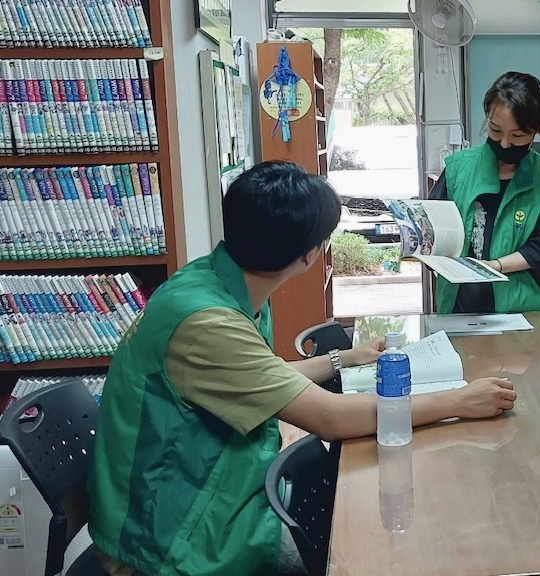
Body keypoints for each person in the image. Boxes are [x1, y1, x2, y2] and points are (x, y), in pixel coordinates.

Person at [88, 161, 517, 576]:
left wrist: (342, 359)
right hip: (168, 538)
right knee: (374, 551)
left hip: (197, 492)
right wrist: (460, 400)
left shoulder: (213, 280)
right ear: (311, 256)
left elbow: (258, 375)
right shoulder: (208, 323)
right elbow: (330, 418)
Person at [429, 71, 540, 314]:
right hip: (460, 305)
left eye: (517, 135)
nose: (504, 143)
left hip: (524, 308)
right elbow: (434, 230)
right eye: (495, 130)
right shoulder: (457, 169)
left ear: (536, 131)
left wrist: (493, 266)